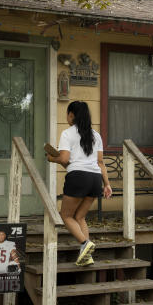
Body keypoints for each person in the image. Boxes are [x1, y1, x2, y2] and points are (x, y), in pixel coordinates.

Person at [47, 101, 112, 266]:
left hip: (78, 177)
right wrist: (107, 184)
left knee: (66, 215)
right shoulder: (95, 135)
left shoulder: (67, 133)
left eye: (67, 114)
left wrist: (51, 158)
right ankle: (87, 256)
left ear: (71, 115)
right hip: (95, 179)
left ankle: (85, 243)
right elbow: (100, 162)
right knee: (80, 217)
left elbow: (64, 159)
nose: (67, 117)